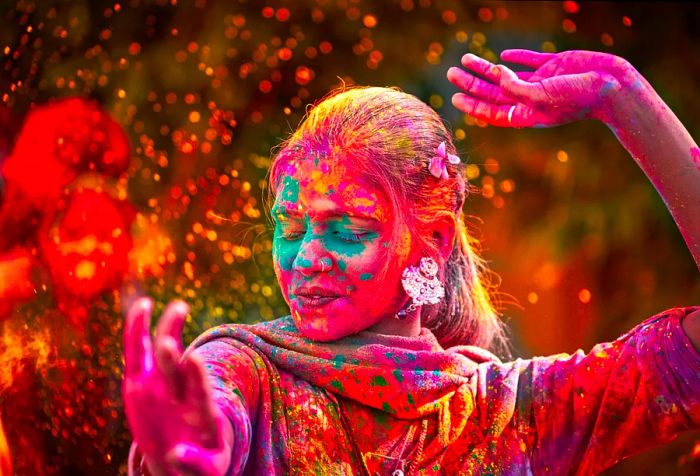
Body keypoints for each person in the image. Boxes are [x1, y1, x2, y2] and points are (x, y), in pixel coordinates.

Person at [123, 49, 700, 475]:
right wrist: (191, 453)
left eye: (347, 228)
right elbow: (209, 425)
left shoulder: (513, 413)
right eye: (289, 227)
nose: (306, 257)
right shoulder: (246, 374)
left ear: (433, 240)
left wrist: (623, 98)